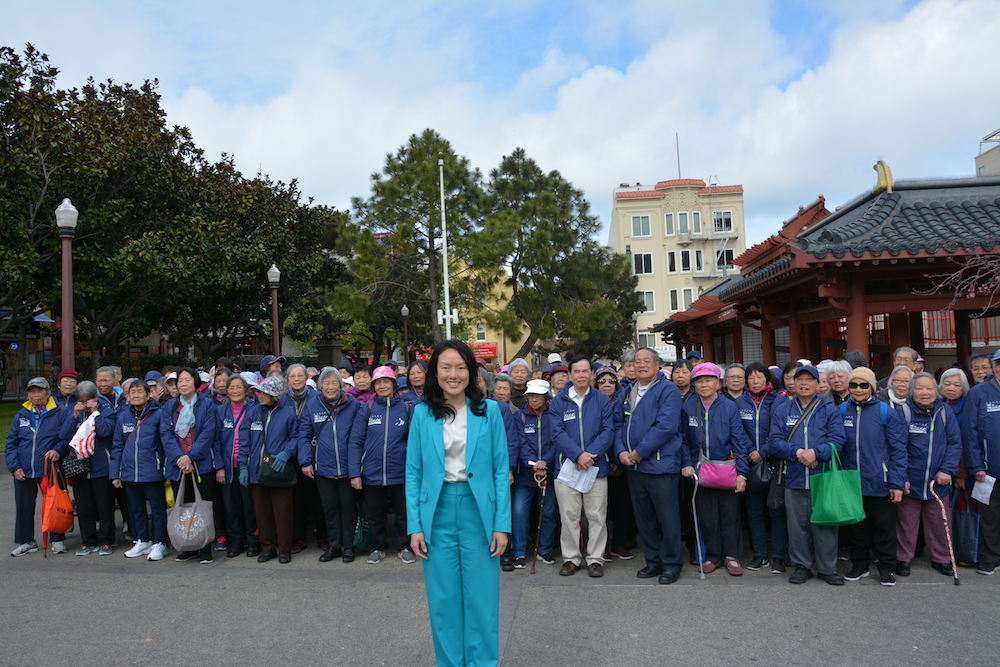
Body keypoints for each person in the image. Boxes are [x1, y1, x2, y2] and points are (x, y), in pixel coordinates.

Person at [406, 339, 511, 667]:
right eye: (446, 368)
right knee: (444, 601)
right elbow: (413, 473)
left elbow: (499, 470)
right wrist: (415, 526)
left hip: (478, 510)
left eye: (461, 367)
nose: (454, 374)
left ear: (471, 371)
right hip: (434, 513)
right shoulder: (422, 414)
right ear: (434, 373)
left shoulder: (489, 411)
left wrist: (501, 525)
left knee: (482, 600)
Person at [616, 347, 691, 584]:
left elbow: (666, 427)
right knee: (644, 517)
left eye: (646, 361)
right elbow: (618, 424)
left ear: (657, 364)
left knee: (667, 517)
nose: (641, 365)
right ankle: (653, 561)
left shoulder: (667, 390)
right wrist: (620, 451)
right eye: (637, 362)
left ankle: (671, 564)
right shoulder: (628, 390)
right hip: (634, 467)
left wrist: (638, 453)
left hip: (660, 465)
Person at [768, 366, 847, 585]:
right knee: (797, 526)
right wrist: (798, 452)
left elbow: (838, 441)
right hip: (793, 476)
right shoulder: (783, 410)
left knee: (825, 523)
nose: (803, 383)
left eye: (809, 380)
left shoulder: (829, 409)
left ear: (818, 384)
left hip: (822, 477)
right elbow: (775, 442)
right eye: (798, 379)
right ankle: (802, 565)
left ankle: (827, 568)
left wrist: (816, 453)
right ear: (791, 383)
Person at [839, 366, 907, 586]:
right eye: (854, 385)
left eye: (863, 385)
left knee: (883, 528)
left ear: (872, 387)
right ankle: (860, 564)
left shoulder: (886, 411)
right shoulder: (841, 411)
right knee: (856, 527)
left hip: (880, 480)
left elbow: (898, 450)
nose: (858, 389)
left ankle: (887, 568)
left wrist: (896, 482)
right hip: (851, 480)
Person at [683, 362, 751, 576]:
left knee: (730, 515)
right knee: (707, 515)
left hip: (726, 469)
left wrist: (743, 473)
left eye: (709, 380)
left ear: (718, 383)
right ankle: (713, 554)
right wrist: (686, 463)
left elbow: (740, 440)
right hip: (700, 470)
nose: (704, 385)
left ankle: (732, 555)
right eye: (699, 381)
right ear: (694, 384)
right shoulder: (688, 406)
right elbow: (682, 439)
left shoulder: (729, 406)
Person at [550, 355, 615, 578]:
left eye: (585, 371)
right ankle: (571, 558)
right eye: (576, 371)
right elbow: (556, 433)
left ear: (591, 374)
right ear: (569, 374)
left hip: (596, 468)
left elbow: (608, 431)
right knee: (569, 515)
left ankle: (595, 559)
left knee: (596, 515)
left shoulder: (601, 400)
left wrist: (589, 456)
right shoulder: (559, 401)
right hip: (566, 468)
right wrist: (577, 455)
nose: (581, 375)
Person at [896, 372, 962, 577]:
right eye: (919, 388)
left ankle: (941, 559)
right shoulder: (904, 412)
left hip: (938, 480)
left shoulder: (944, 412)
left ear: (936, 391)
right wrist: (902, 477)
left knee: (940, 521)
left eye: (929, 388)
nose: (924, 392)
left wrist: (947, 470)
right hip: (912, 480)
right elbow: (898, 448)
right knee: (906, 522)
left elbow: (954, 443)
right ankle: (903, 558)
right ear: (911, 391)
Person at [349, 366, 413, 564]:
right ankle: (377, 547)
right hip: (372, 473)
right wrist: (354, 473)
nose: (382, 385)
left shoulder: (407, 408)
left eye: (386, 381)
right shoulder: (366, 409)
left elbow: (414, 441)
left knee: (403, 514)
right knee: (375, 515)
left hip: (400, 472)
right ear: (373, 386)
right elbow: (355, 441)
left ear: (394, 384)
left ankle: (404, 546)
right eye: (378, 382)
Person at [298, 367, 362, 563]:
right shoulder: (312, 405)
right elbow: (304, 435)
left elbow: (358, 438)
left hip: (347, 467)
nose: (331, 387)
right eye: (326, 383)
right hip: (323, 467)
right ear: (320, 386)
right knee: (330, 508)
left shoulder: (353, 404)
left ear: (341, 385)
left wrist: (355, 470)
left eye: (335, 382)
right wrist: (305, 461)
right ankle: (334, 545)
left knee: (348, 507)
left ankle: (349, 547)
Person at [160, 367, 220, 564]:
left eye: (187, 380)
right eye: (180, 381)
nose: (183, 384)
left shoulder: (207, 405)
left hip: (200, 464)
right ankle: (187, 546)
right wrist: (180, 458)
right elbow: (166, 435)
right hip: (178, 465)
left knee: (203, 506)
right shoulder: (169, 407)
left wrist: (191, 457)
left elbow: (208, 434)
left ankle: (204, 547)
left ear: (195, 383)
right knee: (183, 506)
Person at [239, 375, 299, 564]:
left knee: (283, 512)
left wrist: (286, 453)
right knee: (261, 512)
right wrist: (243, 466)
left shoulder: (288, 413)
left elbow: (296, 438)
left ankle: (284, 548)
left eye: (263, 392)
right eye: (258, 391)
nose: (259, 395)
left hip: (279, 469)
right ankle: (267, 547)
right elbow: (244, 441)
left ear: (274, 395)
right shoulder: (253, 412)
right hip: (256, 469)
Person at [6, 377, 68, 556]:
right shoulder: (21, 415)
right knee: (24, 507)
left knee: (53, 505)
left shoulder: (60, 412)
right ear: (28, 394)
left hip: (49, 469)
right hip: (24, 469)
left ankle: (57, 540)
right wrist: (14, 466)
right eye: (32, 391)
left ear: (47, 393)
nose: (36, 394)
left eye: (39, 391)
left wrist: (57, 449)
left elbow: (66, 437)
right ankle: (26, 541)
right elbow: (11, 443)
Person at [110, 378, 169, 561]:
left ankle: (160, 542)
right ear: (127, 396)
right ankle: (142, 540)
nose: (136, 395)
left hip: (153, 469)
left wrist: (165, 468)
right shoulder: (123, 416)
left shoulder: (158, 414)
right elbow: (117, 446)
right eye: (132, 392)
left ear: (148, 394)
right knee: (136, 509)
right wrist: (115, 473)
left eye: (139, 392)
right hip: (129, 471)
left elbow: (166, 443)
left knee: (158, 509)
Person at [736, 363, 786, 573]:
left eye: (760, 377)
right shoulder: (739, 402)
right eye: (752, 377)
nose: (755, 381)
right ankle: (760, 554)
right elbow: (737, 432)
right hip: (749, 464)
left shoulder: (779, 402)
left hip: (775, 463)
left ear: (768, 380)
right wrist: (750, 452)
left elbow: (782, 432)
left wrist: (763, 452)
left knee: (776, 511)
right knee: (754, 512)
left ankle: (779, 556)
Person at [58, 380, 117, 556]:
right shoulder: (74, 412)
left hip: (100, 467)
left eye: (87, 400)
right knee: (84, 508)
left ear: (95, 397)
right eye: (81, 401)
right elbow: (63, 435)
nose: (84, 404)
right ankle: (88, 541)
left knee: (104, 506)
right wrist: (74, 416)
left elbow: (105, 431)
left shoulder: (106, 410)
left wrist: (95, 413)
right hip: (79, 468)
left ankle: (107, 540)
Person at [510, 379, 560, 569]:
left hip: (549, 471)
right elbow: (519, 443)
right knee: (520, 513)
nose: (533, 399)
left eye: (538, 395)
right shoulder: (520, 416)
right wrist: (533, 463)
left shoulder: (554, 414)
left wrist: (545, 462)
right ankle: (519, 553)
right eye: (531, 395)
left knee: (548, 512)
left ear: (546, 397)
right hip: (525, 474)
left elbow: (557, 440)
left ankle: (544, 550)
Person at [961, 350, 1000, 575]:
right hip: (989, 470)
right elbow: (970, 431)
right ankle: (991, 557)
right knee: (990, 518)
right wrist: (975, 465)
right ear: (993, 367)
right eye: (998, 364)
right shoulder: (979, 393)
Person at [215, 374, 261, 558]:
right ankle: (235, 541)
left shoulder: (255, 410)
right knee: (230, 507)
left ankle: (252, 541)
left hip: (249, 467)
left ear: (246, 390)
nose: (235, 391)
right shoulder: (219, 411)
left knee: (249, 506)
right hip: (227, 468)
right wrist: (219, 467)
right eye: (231, 387)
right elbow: (215, 442)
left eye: (238, 387)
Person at [596, 366, 635, 560]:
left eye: (611, 381)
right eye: (602, 381)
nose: (607, 384)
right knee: (599, 508)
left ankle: (619, 543)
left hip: (621, 460)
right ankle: (602, 545)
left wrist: (619, 463)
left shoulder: (624, 401)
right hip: (597, 461)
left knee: (621, 506)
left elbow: (625, 430)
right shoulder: (591, 402)